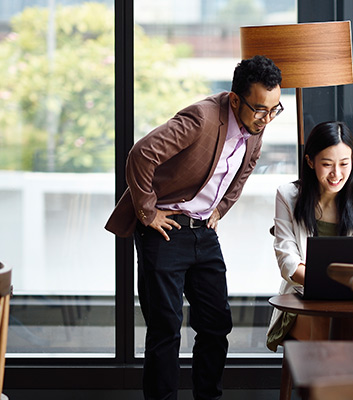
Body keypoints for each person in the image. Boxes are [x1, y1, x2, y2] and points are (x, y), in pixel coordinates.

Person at [105, 55, 283, 399]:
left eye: (274, 109)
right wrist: (148, 211)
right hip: (166, 230)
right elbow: (141, 154)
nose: (267, 118)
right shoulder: (201, 118)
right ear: (235, 99)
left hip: (204, 231)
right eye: (260, 109)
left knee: (216, 324)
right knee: (166, 329)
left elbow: (245, 170)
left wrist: (223, 207)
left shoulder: (256, 128)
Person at [266, 120, 353, 351]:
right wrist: (336, 285)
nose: (336, 174)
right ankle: (330, 386)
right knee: (326, 322)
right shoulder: (288, 196)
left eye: (344, 163)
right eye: (327, 164)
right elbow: (288, 263)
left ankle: (349, 386)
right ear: (310, 161)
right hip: (303, 302)